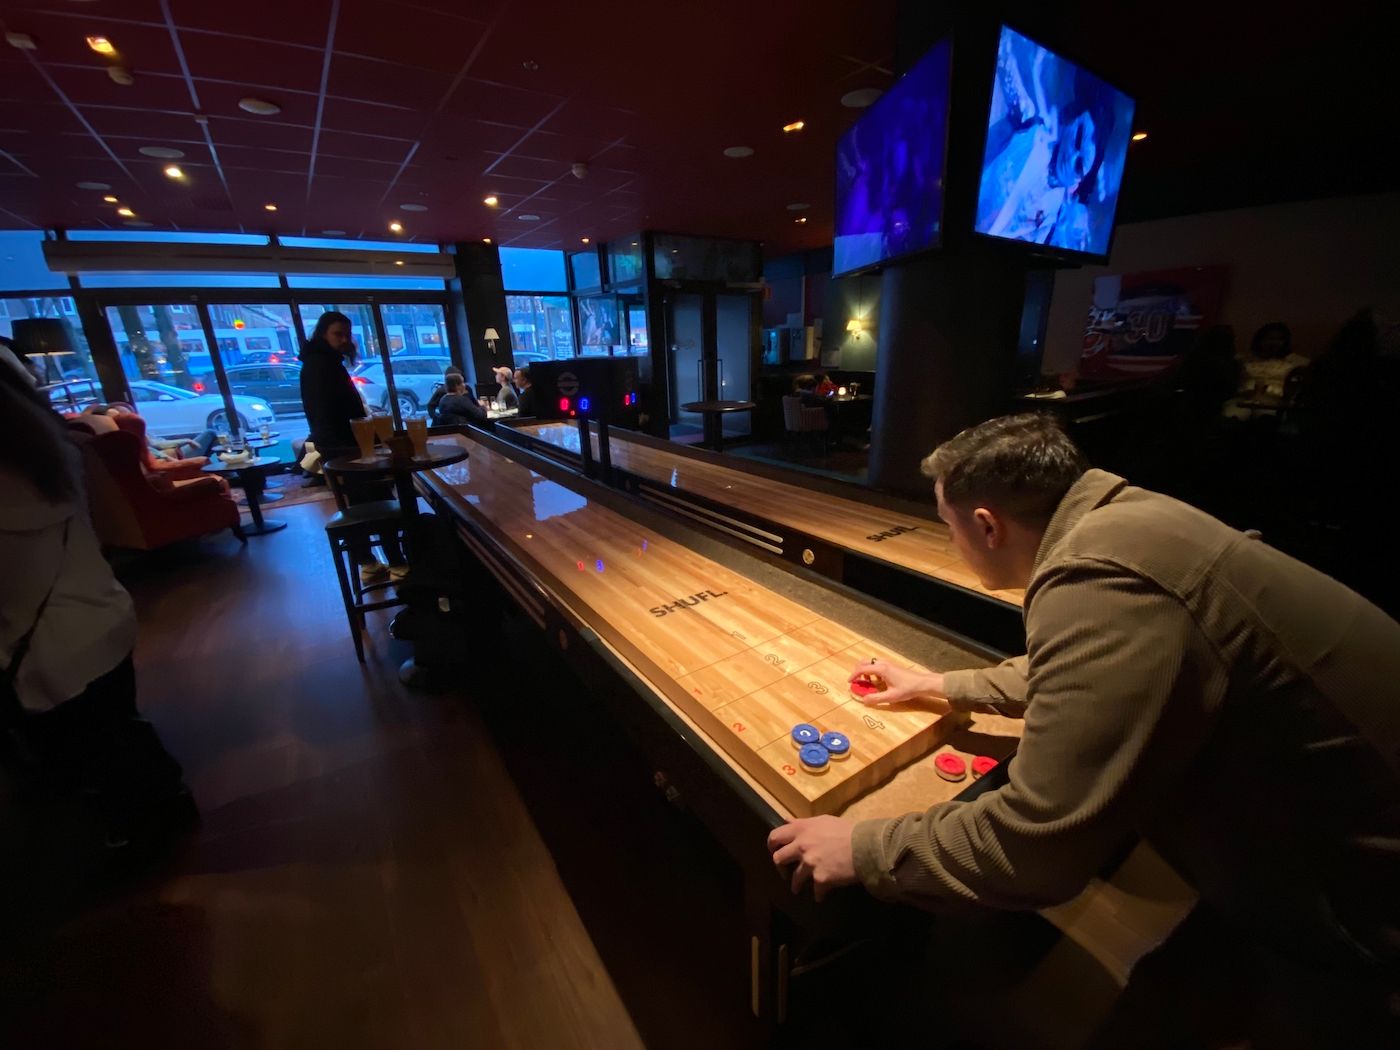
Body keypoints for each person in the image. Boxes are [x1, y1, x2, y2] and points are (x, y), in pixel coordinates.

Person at [767, 414, 1400, 1043]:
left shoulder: (1095, 579)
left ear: (986, 524)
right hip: (1306, 836)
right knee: (1172, 994)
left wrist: (862, 848)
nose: (948, 540)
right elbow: (1082, 670)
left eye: (947, 525)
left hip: (1356, 891)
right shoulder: (1130, 518)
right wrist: (939, 685)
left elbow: (1038, 846)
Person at [1, 362, 193, 854]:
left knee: (91, 751)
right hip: (102, 614)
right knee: (118, 731)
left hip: (46, 646)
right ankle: (165, 810)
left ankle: (137, 835)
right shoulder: (54, 453)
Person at [298, 311, 406, 582]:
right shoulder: (321, 365)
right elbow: (330, 415)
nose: (344, 339)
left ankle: (368, 562)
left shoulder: (320, 362)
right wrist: (355, 449)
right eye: (338, 334)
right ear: (322, 333)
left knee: (358, 505)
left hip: (339, 449)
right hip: (344, 450)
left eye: (347, 334)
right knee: (380, 502)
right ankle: (397, 563)